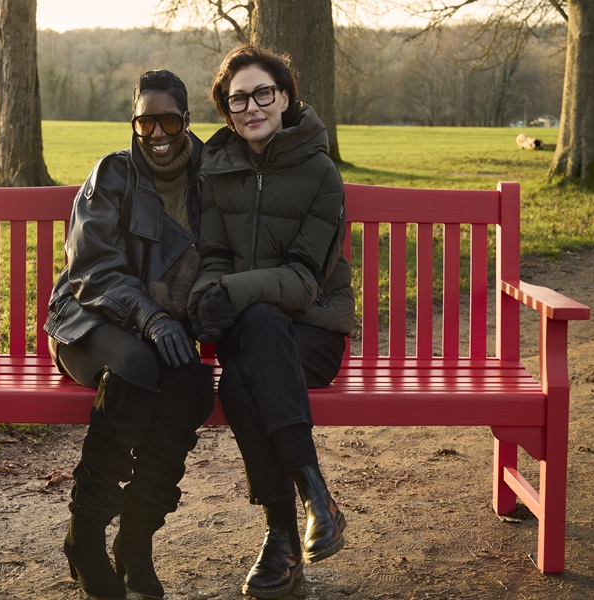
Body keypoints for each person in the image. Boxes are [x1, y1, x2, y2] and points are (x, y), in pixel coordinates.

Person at [187, 45, 355, 598]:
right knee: (249, 346)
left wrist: (229, 289)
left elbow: (305, 280)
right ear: (227, 111)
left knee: (243, 370)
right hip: (251, 332)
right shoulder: (218, 169)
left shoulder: (322, 173)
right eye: (238, 100)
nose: (252, 107)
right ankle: (313, 501)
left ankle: (282, 531)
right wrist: (209, 290)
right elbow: (212, 253)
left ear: (285, 97)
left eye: (263, 93)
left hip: (313, 333)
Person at [44, 69, 214, 600]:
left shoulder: (212, 175)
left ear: (186, 119)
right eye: (145, 123)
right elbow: (93, 269)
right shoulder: (112, 175)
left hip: (156, 331)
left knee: (191, 384)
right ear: (134, 124)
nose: (157, 134)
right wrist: (152, 318)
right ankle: (86, 536)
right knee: (138, 367)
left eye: (167, 120)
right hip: (89, 321)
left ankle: (136, 541)